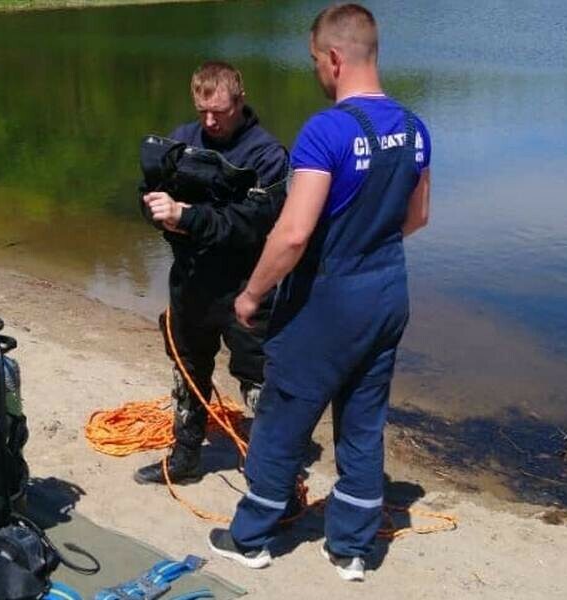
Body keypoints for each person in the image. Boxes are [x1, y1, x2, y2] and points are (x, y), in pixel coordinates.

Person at [207, 4, 431, 582]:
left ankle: (251, 536)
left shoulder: (326, 130)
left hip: (331, 298)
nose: (315, 71)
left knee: (285, 413)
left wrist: (252, 295)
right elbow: (418, 217)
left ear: (333, 58)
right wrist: (367, 245)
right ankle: (352, 550)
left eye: (313, 61)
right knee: (362, 418)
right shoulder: (414, 127)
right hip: (388, 290)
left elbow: (293, 233)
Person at [135, 61, 289, 485]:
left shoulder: (266, 154)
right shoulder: (181, 141)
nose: (210, 121)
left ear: (239, 101)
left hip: (247, 286)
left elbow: (252, 222)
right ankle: (185, 458)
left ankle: (271, 475)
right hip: (191, 282)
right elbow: (147, 193)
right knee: (187, 368)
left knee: (259, 378)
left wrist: (187, 216)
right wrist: (156, 213)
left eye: (219, 112)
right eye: (203, 110)